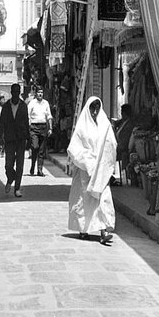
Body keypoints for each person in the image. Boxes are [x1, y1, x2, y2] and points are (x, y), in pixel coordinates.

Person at [67, 96, 117, 245]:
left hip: (100, 171)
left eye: (97, 108)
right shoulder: (82, 127)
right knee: (84, 201)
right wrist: (87, 161)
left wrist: (105, 163)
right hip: (85, 171)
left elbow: (111, 144)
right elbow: (74, 148)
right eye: (92, 108)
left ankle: (104, 231)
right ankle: (83, 229)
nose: (94, 112)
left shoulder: (105, 125)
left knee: (103, 199)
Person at [0, 83, 30, 197]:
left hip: (21, 139)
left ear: (19, 93)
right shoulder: (6, 107)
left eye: (18, 92)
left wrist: (28, 140)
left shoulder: (23, 106)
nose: (16, 94)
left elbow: (26, 123)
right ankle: (11, 178)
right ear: (11, 93)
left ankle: (17, 188)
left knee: (20, 165)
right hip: (10, 139)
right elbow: (1, 124)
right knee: (8, 165)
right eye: (14, 92)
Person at [27, 86, 53, 177]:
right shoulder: (32, 103)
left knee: (41, 150)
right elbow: (28, 115)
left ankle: (39, 169)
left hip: (43, 127)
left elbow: (49, 116)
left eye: (41, 92)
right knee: (35, 147)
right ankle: (33, 165)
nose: (40, 94)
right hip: (34, 127)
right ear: (36, 93)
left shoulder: (46, 103)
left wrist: (50, 128)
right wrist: (28, 127)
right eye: (38, 92)